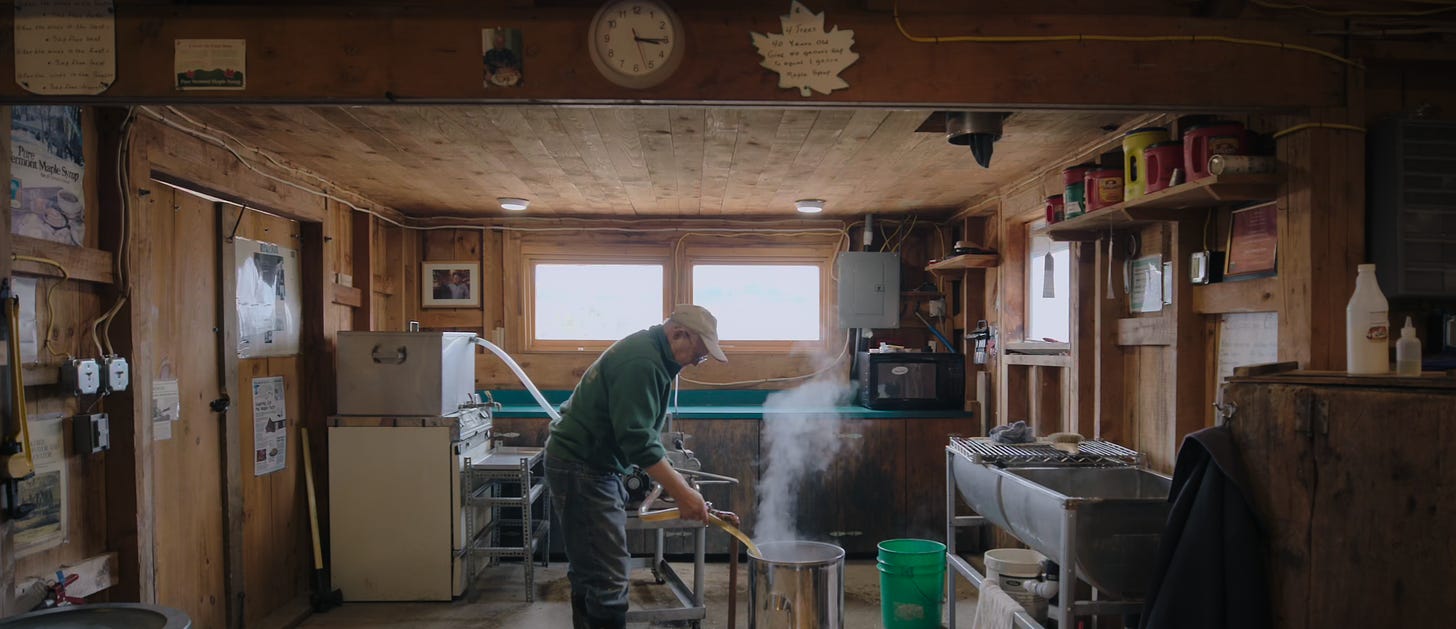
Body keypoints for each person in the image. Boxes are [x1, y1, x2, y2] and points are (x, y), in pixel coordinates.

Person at [545, 304, 728, 629]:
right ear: (678, 334)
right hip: (582, 467)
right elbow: (638, 441)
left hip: (591, 465)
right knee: (609, 582)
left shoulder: (654, 356)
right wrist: (682, 493)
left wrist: (680, 489)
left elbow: (639, 434)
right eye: (698, 355)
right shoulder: (643, 361)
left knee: (591, 572)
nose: (695, 363)